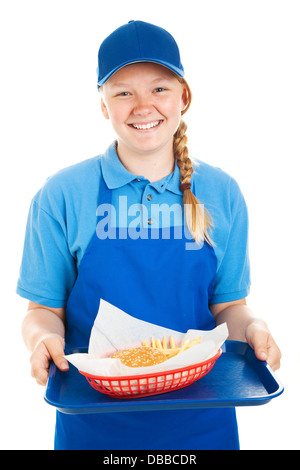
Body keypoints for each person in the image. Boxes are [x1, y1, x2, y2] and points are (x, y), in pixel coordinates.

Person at [18, 20, 281, 450]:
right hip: (94, 424)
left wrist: (252, 328)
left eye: (159, 89)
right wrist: (43, 338)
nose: (143, 107)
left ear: (184, 96)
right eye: (123, 92)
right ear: (103, 105)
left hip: (202, 422)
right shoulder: (62, 195)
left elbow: (229, 307)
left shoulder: (221, 193)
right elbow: (42, 310)